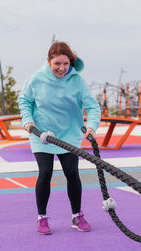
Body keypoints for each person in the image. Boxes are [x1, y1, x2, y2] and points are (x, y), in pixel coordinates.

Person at [18, 41, 101, 235]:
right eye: (57, 64)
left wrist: (91, 127)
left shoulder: (77, 81)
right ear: (48, 61)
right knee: (45, 172)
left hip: (69, 134)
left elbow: (93, 107)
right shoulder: (35, 79)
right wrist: (28, 120)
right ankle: (42, 218)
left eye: (65, 64)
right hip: (42, 134)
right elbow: (25, 101)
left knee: (72, 172)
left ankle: (76, 215)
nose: (62, 68)